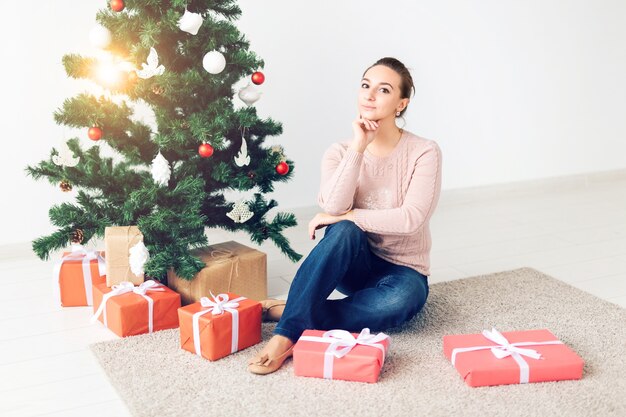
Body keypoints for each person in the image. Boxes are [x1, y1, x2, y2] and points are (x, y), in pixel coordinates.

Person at [247, 57, 443, 375]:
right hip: (353, 265)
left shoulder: (424, 151)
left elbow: (411, 219)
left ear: (401, 103)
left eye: (383, 89)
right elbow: (334, 208)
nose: (369, 95)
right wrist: (358, 147)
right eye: (365, 86)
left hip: (404, 273)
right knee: (344, 231)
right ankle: (286, 335)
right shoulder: (340, 151)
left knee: (398, 305)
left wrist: (350, 216)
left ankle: (292, 310)